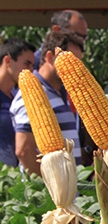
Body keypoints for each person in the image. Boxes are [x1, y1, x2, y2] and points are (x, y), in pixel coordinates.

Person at [11, 31, 84, 174]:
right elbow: (24, 150)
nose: (77, 68)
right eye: (71, 61)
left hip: (69, 192)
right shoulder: (32, 93)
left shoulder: (59, 92)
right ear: (50, 58)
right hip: (52, 193)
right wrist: (51, 186)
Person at [0, 38, 35, 167]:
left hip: (11, 179)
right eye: (27, 64)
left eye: (32, 65)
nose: (31, 70)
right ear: (8, 61)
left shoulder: (18, 98)